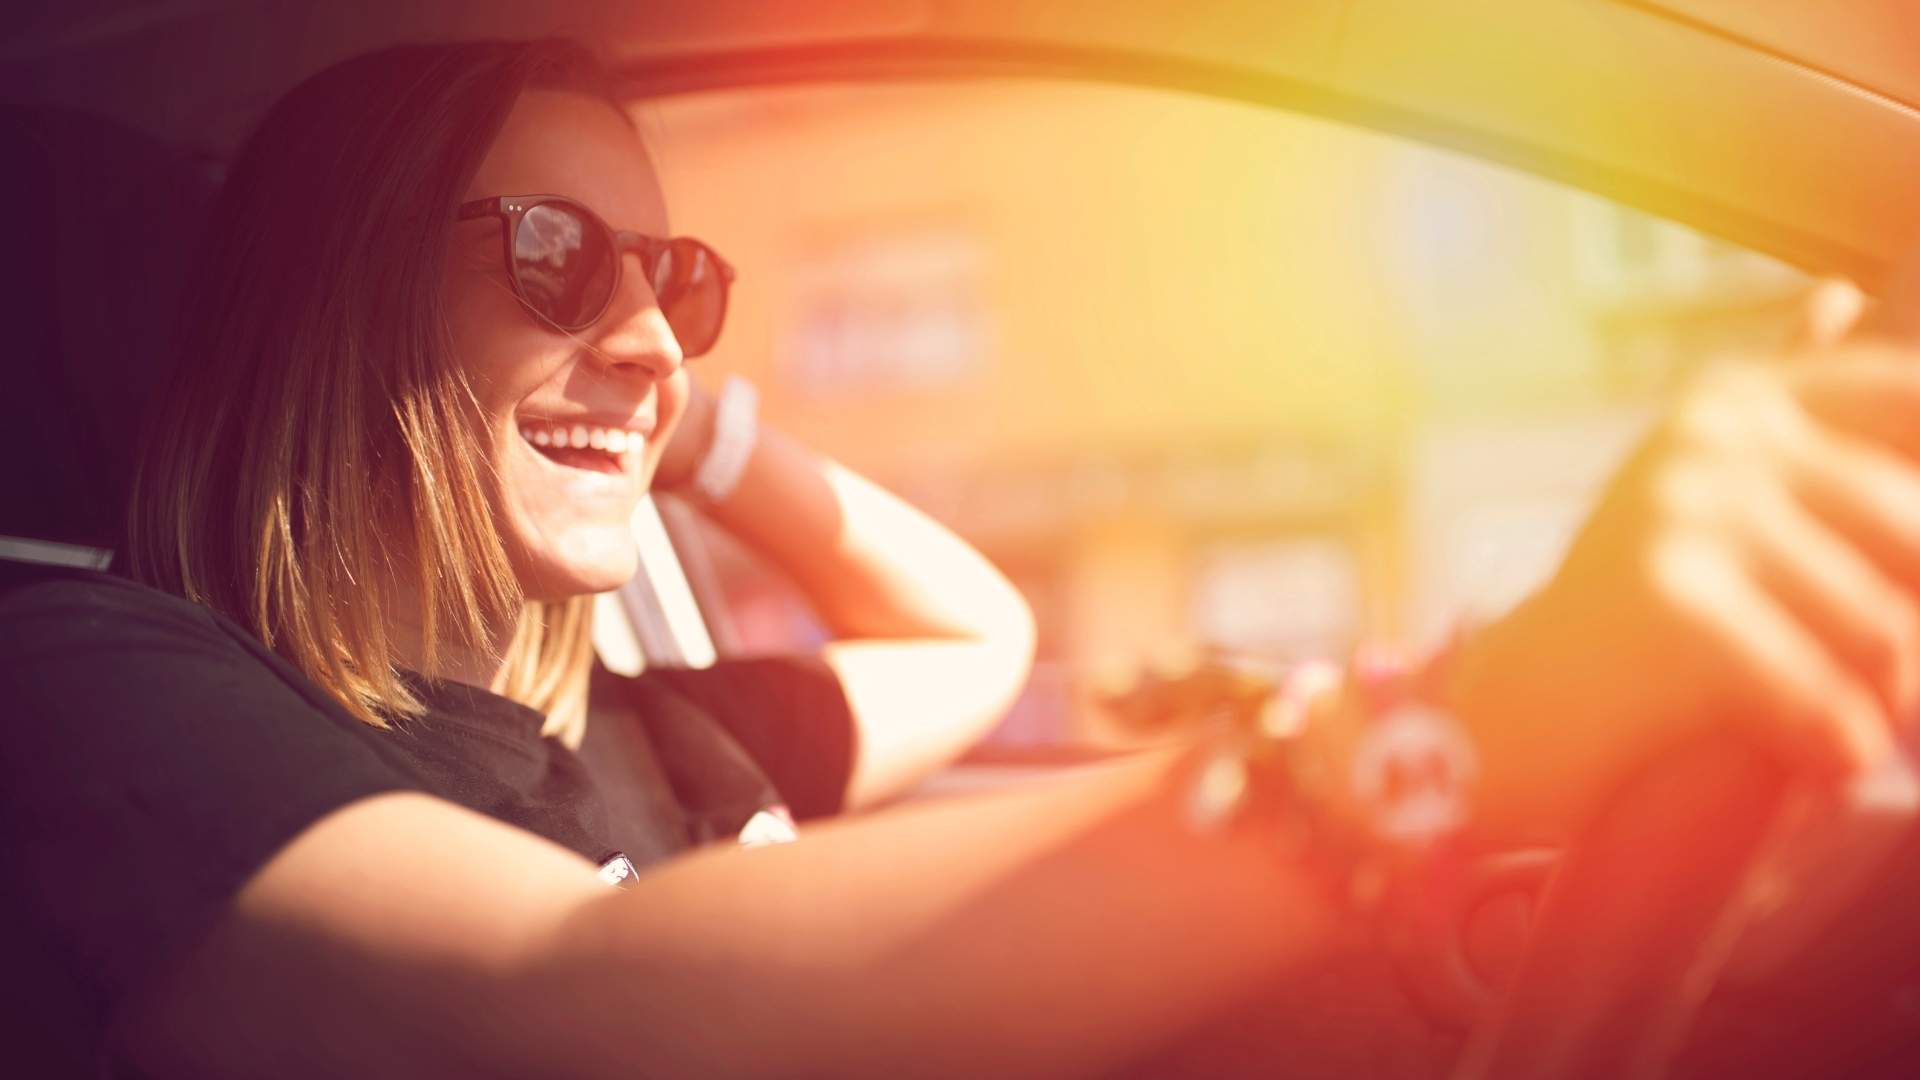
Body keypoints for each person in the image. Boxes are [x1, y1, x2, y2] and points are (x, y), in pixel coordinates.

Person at [4, 37, 1919, 1079]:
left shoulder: (680, 737)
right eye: (549, 257)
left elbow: (974, 632)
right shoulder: (100, 692)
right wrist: (1455, 734)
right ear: (333, 305)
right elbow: (559, 1005)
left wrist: (688, 413)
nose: (661, 332)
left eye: (681, 279)